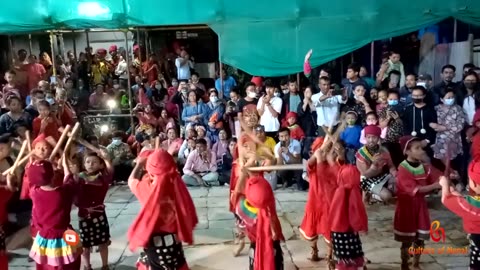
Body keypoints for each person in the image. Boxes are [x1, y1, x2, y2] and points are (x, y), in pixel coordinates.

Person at [128, 150, 198, 270]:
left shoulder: (146, 188)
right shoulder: (177, 186)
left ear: (150, 172)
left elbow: (131, 181)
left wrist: (139, 164)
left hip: (156, 245)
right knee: (177, 264)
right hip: (174, 242)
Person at [394, 136, 444, 270]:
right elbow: (415, 189)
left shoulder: (424, 166)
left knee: (419, 238)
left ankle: (415, 263)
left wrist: (448, 177)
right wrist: (435, 185)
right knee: (406, 240)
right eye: (417, 148)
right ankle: (404, 264)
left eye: (421, 148)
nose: (421, 151)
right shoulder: (402, 169)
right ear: (407, 152)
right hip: (407, 207)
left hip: (420, 206)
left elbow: (436, 175)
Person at [28, 159, 83, 270]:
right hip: (65, 233)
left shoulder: (34, 192)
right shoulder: (62, 193)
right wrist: (65, 165)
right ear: (53, 176)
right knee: (71, 262)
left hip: (44, 236)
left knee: (47, 264)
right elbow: (70, 180)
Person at [439, 143, 480, 270]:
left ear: (473, 182)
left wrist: (445, 185)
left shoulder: (474, 207)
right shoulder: (473, 202)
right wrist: (453, 189)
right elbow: (463, 200)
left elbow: (446, 199)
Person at [329, 142, 368, 270]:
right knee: (350, 254)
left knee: (343, 255)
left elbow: (339, 168)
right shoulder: (352, 190)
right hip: (348, 229)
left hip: (338, 228)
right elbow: (356, 211)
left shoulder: (341, 188)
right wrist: (360, 226)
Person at [299, 137, 338, 264]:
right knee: (312, 227)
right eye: (323, 149)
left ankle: (329, 256)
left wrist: (328, 155)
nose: (326, 151)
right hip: (315, 200)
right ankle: (314, 251)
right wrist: (318, 153)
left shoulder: (334, 164)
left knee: (329, 228)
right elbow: (309, 163)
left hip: (329, 202)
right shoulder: (313, 164)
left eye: (328, 149)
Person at [73, 152, 113, 270]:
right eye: (88, 162)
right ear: (84, 164)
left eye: (94, 162)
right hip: (84, 215)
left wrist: (106, 159)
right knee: (85, 244)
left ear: (101, 165)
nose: (90, 164)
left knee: (103, 242)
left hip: (99, 215)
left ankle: (105, 265)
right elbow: (72, 190)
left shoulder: (102, 178)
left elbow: (110, 171)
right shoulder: (79, 177)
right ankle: (87, 266)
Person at [236, 176, 284, 270]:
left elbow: (241, 227)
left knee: (254, 265)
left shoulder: (243, 209)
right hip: (273, 247)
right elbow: (276, 233)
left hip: (254, 248)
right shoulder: (270, 211)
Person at [356, 125, 397, 203]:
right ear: (365, 138)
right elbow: (365, 175)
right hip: (367, 180)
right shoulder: (361, 153)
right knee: (387, 196)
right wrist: (374, 165)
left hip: (382, 176)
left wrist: (394, 174)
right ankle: (372, 195)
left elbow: (391, 166)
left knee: (398, 188)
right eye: (368, 137)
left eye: (374, 137)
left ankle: (377, 195)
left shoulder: (383, 150)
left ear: (378, 138)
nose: (371, 140)